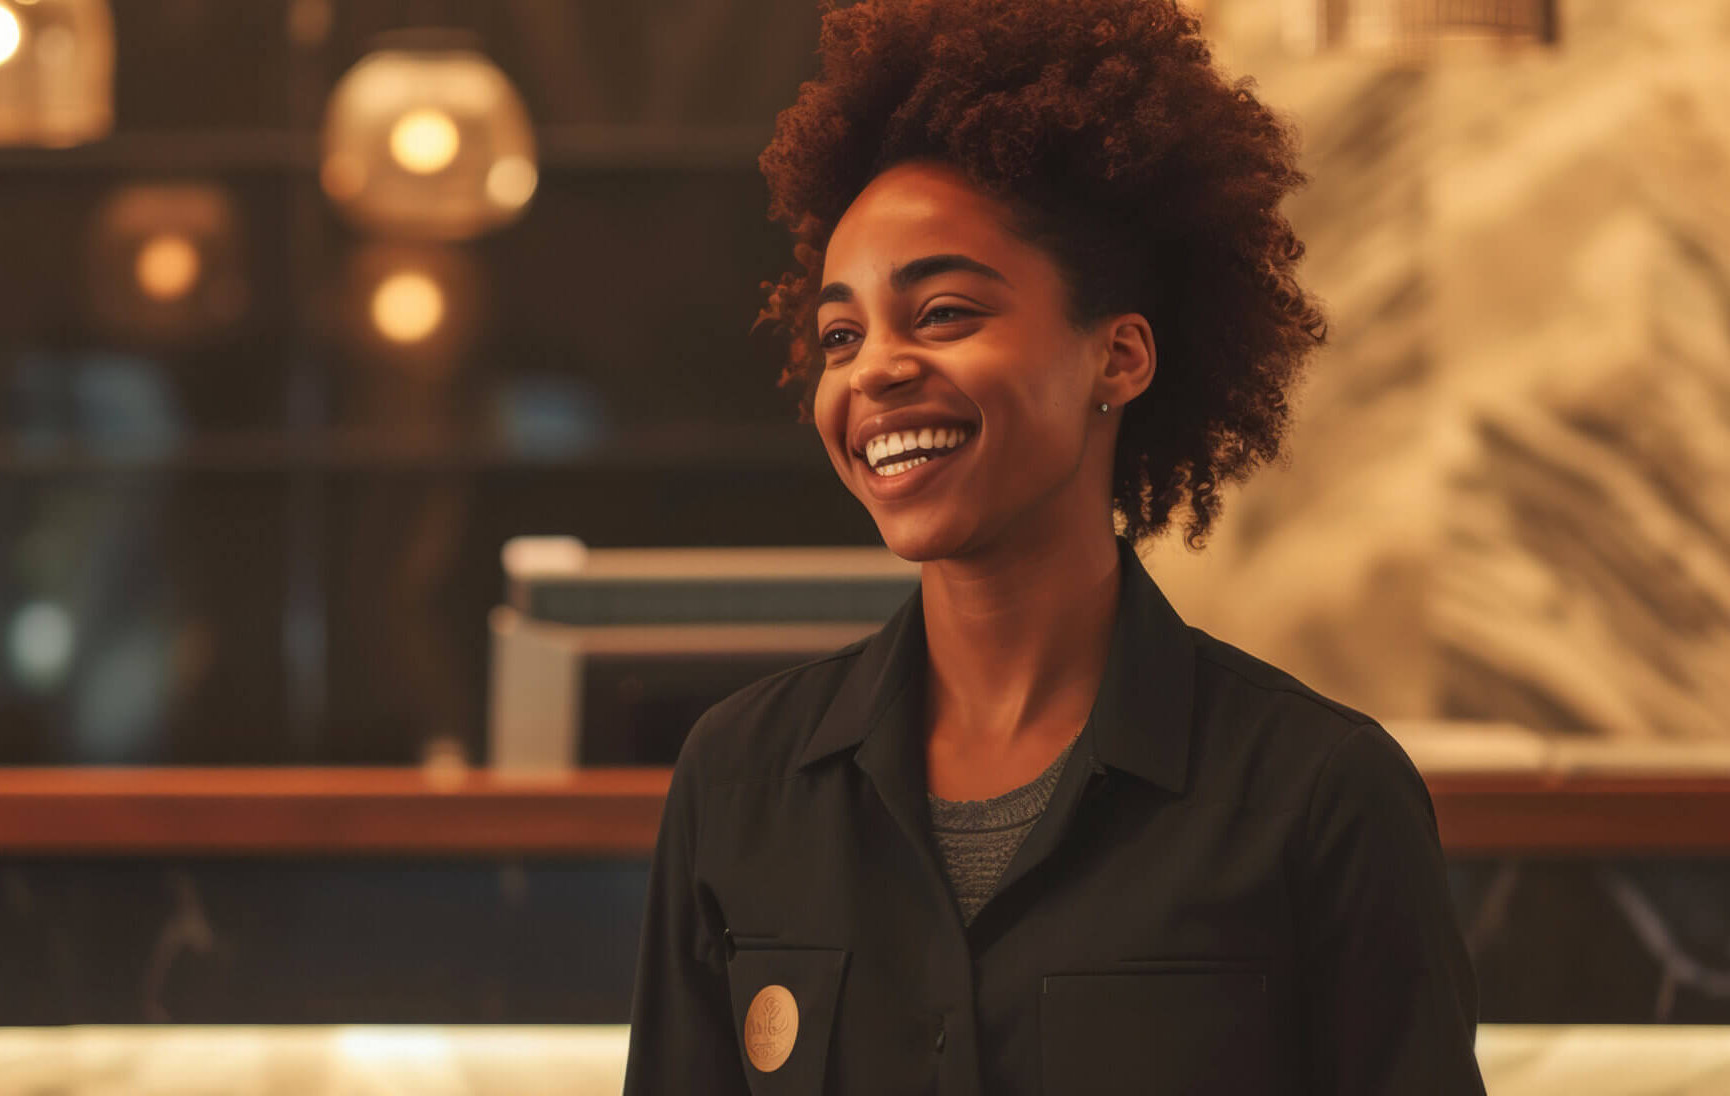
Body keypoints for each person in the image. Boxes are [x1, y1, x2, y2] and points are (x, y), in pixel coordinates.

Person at [621, 1, 1486, 1093]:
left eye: (940, 312)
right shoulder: (737, 780)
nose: (873, 368)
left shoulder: (1317, 795)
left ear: (1116, 358)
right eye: (840, 334)